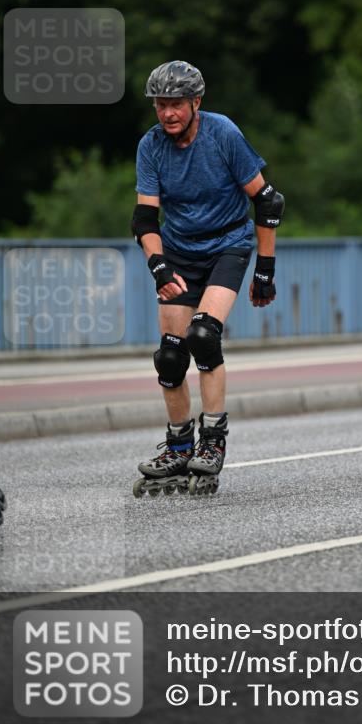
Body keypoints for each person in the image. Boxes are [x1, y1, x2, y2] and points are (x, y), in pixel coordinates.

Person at [131, 60, 284, 496]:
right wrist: (158, 266)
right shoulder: (151, 146)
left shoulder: (223, 135)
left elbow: (268, 202)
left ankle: (212, 440)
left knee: (202, 335)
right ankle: (179, 445)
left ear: (196, 103)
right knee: (169, 358)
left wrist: (265, 271)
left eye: (176, 104)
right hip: (179, 251)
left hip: (226, 246)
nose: (167, 114)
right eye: (161, 105)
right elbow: (144, 217)